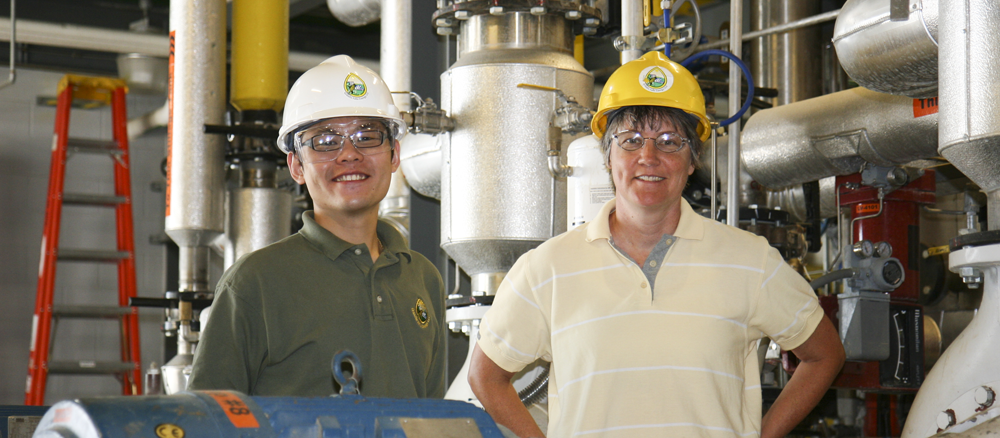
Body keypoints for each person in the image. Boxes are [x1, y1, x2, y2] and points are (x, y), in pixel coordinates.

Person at [468, 51, 845, 438]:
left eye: (669, 141)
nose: (648, 157)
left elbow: (824, 354)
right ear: (608, 156)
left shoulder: (751, 261)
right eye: (630, 140)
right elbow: (486, 375)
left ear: (693, 159)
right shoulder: (546, 267)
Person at [189, 55, 446, 398]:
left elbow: (431, 417)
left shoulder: (423, 279)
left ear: (394, 154)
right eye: (326, 141)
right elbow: (208, 421)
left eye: (367, 136)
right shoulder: (255, 283)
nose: (349, 155)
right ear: (296, 165)